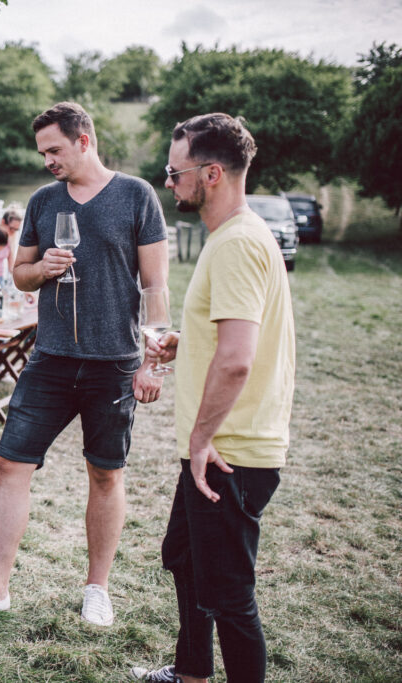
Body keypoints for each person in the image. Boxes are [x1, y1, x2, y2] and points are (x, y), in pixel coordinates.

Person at [0, 101, 169, 626]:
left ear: (84, 139)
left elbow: (155, 285)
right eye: (42, 153)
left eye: (55, 150)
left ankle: (97, 588)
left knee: (105, 474)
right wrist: (42, 267)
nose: (48, 161)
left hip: (115, 361)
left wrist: (153, 359)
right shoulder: (43, 201)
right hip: (52, 359)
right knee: (10, 463)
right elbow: (18, 274)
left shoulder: (137, 196)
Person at [130, 114, 295, 683]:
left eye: (175, 173)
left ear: (213, 173)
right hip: (213, 448)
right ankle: (192, 672)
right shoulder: (231, 238)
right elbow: (226, 340)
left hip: (229, 453)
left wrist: (201, 438)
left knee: (229, 596)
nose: (169, 183)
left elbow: (238, 358)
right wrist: (186, 341)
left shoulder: (237, 243)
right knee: (183, 558)